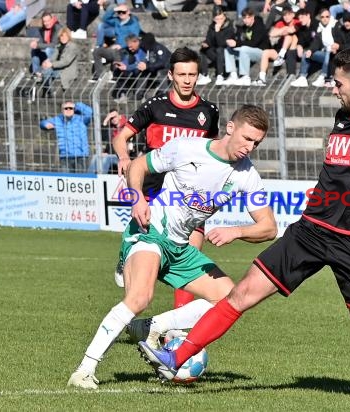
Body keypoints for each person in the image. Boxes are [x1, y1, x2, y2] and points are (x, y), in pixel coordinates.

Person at [140, 47, 350, 405]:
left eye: (337, 82)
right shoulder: (343, 117)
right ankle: (176, 357)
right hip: (308, 232)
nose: (332, 88)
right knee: (240, 295)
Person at [67, 105, 277, 389]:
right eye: (247, 138)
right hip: (151, 231)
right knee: (140, 297)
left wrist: (237, 231)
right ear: (230, 128)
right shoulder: (187, 149)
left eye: (256, 143)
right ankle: (85, 369)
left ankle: (150, 327)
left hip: (180, 248)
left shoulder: (246, 175)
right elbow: (139, 166)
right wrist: (138, 199)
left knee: (232, 297)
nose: (249, 147)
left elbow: (269, 227)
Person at [112, 47, 220, 309]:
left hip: (189, 196)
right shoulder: (155, 106)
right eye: (181, 74)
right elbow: (121, 138)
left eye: (192, 74)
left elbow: (213, 152)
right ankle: (127, 262)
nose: (187, 80)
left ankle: (175, 328)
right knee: (141, 264)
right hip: (153, 193)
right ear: (171, 74)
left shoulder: (209, 111)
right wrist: (125, 158)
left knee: (190, 255)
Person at [91, 3, 142, 82]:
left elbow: (135, 40)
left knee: (117, 52)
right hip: (115, 48)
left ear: (128, 12)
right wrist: (114, 10)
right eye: (119, 12)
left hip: (126, 50)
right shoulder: (117, 21)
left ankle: (115, 76)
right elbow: (105, 19)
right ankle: (99, 76)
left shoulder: (133, 24)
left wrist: (121, 46)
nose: (121, 14)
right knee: (97, 51)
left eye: (123, 12)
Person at [39, 100, 92, 173]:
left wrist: (77, 105)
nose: (68, 110)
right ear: (62, 110)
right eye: (66, 108)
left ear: (74, 109)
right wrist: (45, 125)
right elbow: (42, 123)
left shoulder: (81, 119)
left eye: (71, 108)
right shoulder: (58, 120)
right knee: (66, 180)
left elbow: (90, 113)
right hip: (65, 156)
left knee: (81, 180)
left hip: (81, 155)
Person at [222, 7, 270, 86]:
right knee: (228, 50)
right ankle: (233, 75)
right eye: (244, 18)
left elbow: (253, 43)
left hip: (261, 52)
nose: (245, 20)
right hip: (247, 52)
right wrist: (231, 41)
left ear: (252, 17)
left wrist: (236, 44)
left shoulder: (259, 26)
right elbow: (236, 38)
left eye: (247, 18)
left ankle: (245, 76)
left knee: (244, 49)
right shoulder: (243, 27)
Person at [290, 8, 336, 88]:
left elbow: (318, 42)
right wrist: (299, 46)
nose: (300, 20)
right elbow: (303, 41)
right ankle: (302, 78)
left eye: (302, 17)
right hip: (319, 53)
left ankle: (323, 76)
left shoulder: (318, 25)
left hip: (331, 53)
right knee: (306, 53)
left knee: (324, 52)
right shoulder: (302, 28)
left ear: (308, 16)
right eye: (299, 18)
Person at [197, 6, 235, 86]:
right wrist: (205, 43)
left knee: (220, 49)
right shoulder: (212, 26)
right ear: (214, 19)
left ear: (224, 16)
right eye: (217, 19)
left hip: (226, 53)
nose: (220, 21)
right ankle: (204, 74)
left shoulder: (229, 26)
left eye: (221, 18)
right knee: (203, 50)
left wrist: (217, 31)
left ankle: (220, 75)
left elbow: (222, 43)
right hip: (215, 52)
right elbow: (209, 40)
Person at [40, 27, 80, 97]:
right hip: (57, 69)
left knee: (48, 69)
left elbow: (66, 61)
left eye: (65, 36)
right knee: (46, 69)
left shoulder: (73, 47)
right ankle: (47, 90)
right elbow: (52, 58)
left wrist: (51, 64)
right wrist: (46, 63)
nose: (63, 38)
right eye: (61, 36)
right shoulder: (58, 46)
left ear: (68, 36)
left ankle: (46, 90)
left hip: (66, 70)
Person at [110, 34, 148, 103]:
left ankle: (140, 95)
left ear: (136, 42)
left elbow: (140, 65)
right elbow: (121, 60)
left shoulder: (144, 50)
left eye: (131, 46)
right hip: (129, 74)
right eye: (128, 46)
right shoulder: (125, 50)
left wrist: (127, 67)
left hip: (140, 74)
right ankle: (122, 93)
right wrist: (119, 64)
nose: (129, 48)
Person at [88, 109, 128, 174]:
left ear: (119, 116)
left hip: (121, 155)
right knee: (95, 156)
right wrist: (106, 119)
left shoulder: (126, 126)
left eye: (114, 116)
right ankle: (89, 177)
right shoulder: (111, 129)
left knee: (107, 159)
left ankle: (102, 177)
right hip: (110, 154)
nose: (113, 119)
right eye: (111, 118)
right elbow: (101, 137)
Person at [29, 11, 62, 81]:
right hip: (46, 53)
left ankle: (47, 71)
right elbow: (40, 43)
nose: (46, 23)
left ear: (52, 19)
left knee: (48, 49)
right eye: (44, 21)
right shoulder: (42, 30)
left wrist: (38, 45)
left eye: (48, 21)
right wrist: (35, 44)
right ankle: (37, 73)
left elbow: (54, 44)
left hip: (56, 53)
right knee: (34, 50)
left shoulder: (58, 28)